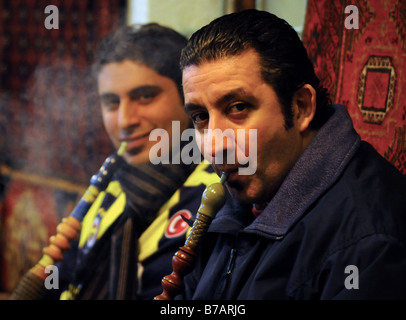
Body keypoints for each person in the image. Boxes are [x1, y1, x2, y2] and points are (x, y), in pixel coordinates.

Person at [178, 9, 406, 299]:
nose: (213, 145)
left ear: (300, 107)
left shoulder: (369, 241)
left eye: (238, 107)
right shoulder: (233, 201)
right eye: (200, 116)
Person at [10, 23, 219, 300]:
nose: (124, 121)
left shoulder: (217, 192)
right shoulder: (111, 187)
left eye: (144, 96)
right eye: (111, 102)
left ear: (187, 96)